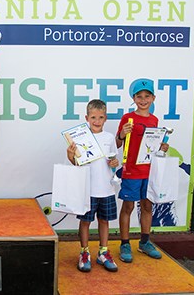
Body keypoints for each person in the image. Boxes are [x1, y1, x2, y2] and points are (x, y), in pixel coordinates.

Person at [115, 79, 169, 262]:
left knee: (147, 206)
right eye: (139, 96)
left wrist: (162, 147)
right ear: (134, 98)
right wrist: (122, 133)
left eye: (147, 96)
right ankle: (124, 244)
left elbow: (153, 145)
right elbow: (117, 143)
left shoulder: (155, 120)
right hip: (131, 171)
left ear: (153, 98)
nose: (143, 100)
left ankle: (145, 242)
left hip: (149, 170)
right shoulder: (127, 118)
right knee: (128, 206)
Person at [66, 99, 119, 272]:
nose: (97, 121)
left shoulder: (110, 137)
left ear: (106, 118)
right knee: (85, 222)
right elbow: (76, 163)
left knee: (104, 221)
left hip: (106, 189)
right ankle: (84, 252)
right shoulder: (79, 138)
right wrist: (70, 154)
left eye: (101, 117)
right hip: (87, 189)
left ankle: (103, 252)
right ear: (86, 118)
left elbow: (114, 160)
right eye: (93, 117)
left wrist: (114, 163)